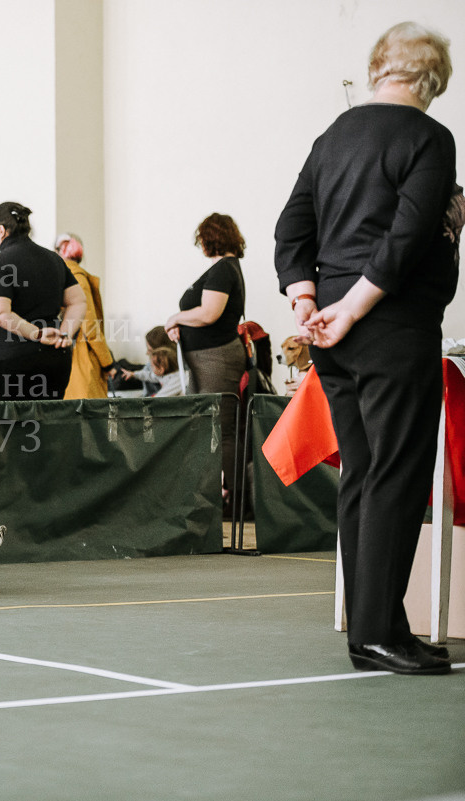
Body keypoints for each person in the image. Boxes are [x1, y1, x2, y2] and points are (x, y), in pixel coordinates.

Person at [274, 21, 457, 675]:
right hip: (389, 326)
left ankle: (373, 627)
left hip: (331, 331)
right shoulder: (431, 137)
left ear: (380, 67)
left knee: (361, 472)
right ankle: (381, 630)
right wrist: (352, 310)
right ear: (434, 80)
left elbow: (292, 224)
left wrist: (307, 302)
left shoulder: (334, 136)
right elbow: (406, 237)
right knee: (396, 475)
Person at [165, 212, 248, 506]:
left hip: (216, 359)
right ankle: (219, 495)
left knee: (222, 428)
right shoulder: (223, 269)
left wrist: (175, 317)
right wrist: (181, 327)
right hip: (206, 358)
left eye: (201, 238)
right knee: (213, 427)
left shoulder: (223, 270)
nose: (199, 243)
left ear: (210, 238)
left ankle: (235, 500)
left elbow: (209, 313)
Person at [0, 202, 84, 400]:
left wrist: (36, 333)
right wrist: (65, 334)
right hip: (54, 360)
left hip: (7, 363)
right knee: (45, 427)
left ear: (2, 231)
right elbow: (78, 301)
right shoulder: (55, 259)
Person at [55, 233, 118, 399]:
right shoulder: (78, 278)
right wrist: (108, 362)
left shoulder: (58, 278)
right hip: (82, 359)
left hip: (63, 357)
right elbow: (90, 326)